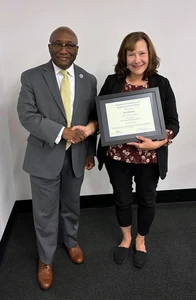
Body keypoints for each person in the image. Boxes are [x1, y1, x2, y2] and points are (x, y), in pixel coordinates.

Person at [77, 32, 179, 268]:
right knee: (122, 199)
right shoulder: (113, 82)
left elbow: (173, 123)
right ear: (124, 56)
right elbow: (99, 117)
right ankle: (126, 238)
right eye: (131, 53)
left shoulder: (161, 84)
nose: (137, 59)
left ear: (149, 55)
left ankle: (140, 241)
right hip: (117, 158)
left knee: (147, 199)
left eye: (142, 53)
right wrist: (90, 128)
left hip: (149, 157)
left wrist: (159, 142)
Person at [17, 26, 97, 290]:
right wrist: (63, 132)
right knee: (45, 212)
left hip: (76, 157)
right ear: (49, 46)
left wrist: (90, 151)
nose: (64, 49)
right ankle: (46, 259)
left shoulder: (89, 79)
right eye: (58, 44)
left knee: (71, 204)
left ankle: (71, 242)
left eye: (70, 45)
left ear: (77, 49)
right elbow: (27, 116)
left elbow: (93, 118)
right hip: (44, 156)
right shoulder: (31, 77)